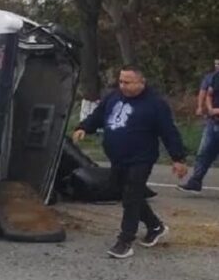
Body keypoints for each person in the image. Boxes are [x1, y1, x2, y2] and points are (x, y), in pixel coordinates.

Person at [72, 66, 187, 259]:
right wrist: (84, 127)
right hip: (118, 158)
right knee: (122, 192)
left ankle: (125, 241)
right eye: (121, 81)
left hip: (141, 158)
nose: (122, 86)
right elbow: (99, 115)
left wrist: (178, 158)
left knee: (132, 197)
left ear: (141, 82)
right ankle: (155, 226)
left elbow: (169, 132)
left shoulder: (155, 105)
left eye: (128, 82)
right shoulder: (113, 97)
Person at [180, 64, 218, 192]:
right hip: (214, 122)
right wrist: (210, 108)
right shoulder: (214, 78)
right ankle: (195, 181)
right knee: (204, 153)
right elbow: (208, 94)